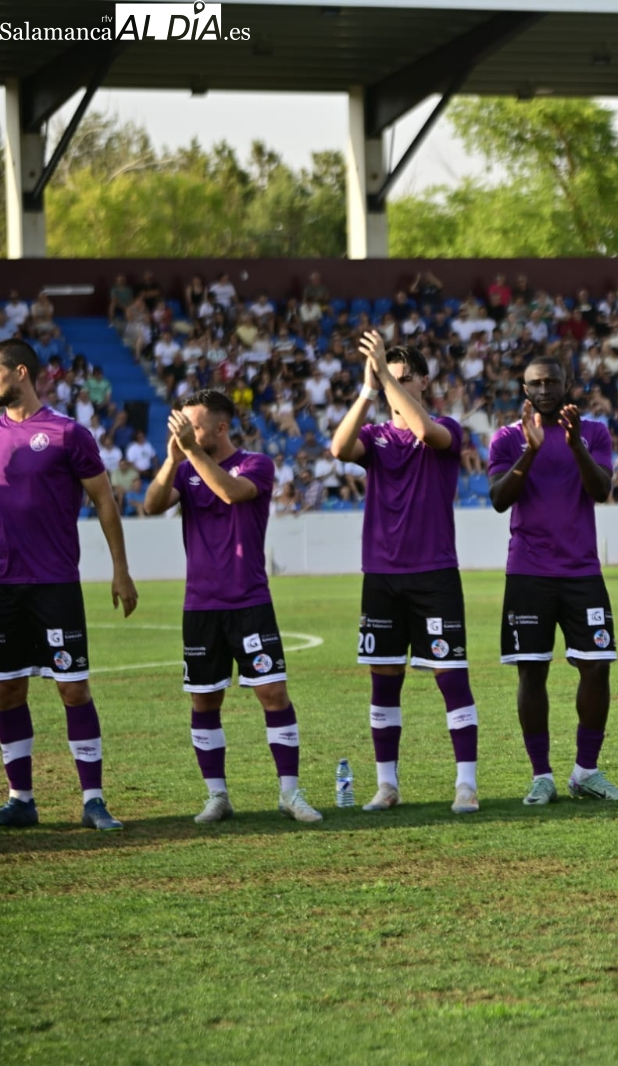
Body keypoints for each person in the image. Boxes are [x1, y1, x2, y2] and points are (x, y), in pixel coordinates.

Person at [142, 390, 321, 824]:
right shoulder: (184, 468)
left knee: (273, 694)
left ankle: (290, 794)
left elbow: (229, 492)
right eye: (182, 425)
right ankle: (217, 796)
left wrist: (188, 454)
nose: (186, 432)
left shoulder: (256, 464)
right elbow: (150, 505)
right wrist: (172, 459)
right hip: (200, 605)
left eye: (194, 425)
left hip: (249, 601)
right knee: (204, 702)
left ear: (221, 428)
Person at [332, 329, 480, 814]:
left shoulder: (447, 429)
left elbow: (422, 431)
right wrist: (367, 388)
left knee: (450, 677)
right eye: (387, 377)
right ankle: (387, 786)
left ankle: (466, 785)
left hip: (434, 574)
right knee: (384, 679)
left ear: (422, 382)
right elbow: (338, 448)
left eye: (401, 378)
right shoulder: (374, 438)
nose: (390, 385)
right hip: (381, 575)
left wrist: (385, 378)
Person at [0, 338, 138, 830]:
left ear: (20, 372)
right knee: (7, 692)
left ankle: (93, 799)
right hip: (3, 587)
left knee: (73, 689)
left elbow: (104, 500)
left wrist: (120, 569)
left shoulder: (66, 434)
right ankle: (21, 800)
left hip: (54, 582)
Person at [488, 357, 618, 805]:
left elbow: (601, 489)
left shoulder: (594, 432)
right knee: (532, 672)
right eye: (536, 383)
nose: (545, 389)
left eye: (552, 381)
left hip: (581, 570)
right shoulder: (508, 438)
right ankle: (542, 775)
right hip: (528, 571)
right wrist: (530, 452)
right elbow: (498, 500)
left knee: (597, 666)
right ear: (524, 388)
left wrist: (575, 446)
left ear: (567, 384)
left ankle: (586, 771)